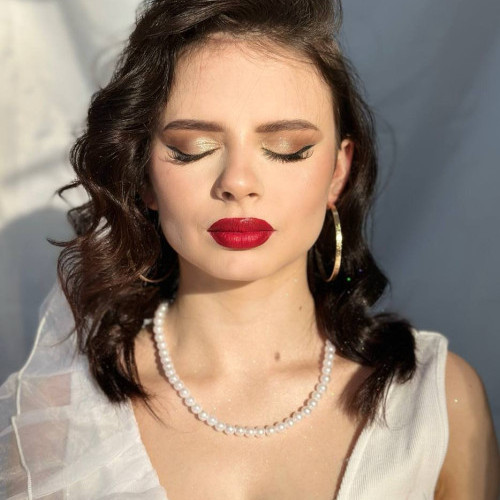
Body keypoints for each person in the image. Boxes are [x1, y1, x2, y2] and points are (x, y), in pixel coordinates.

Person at [1, 0, 499, 498]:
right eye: (192, 148)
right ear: (143, 174)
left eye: (286, 148)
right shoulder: (58, 416)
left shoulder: (438, 401)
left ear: (338, 170)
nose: (238, 182)